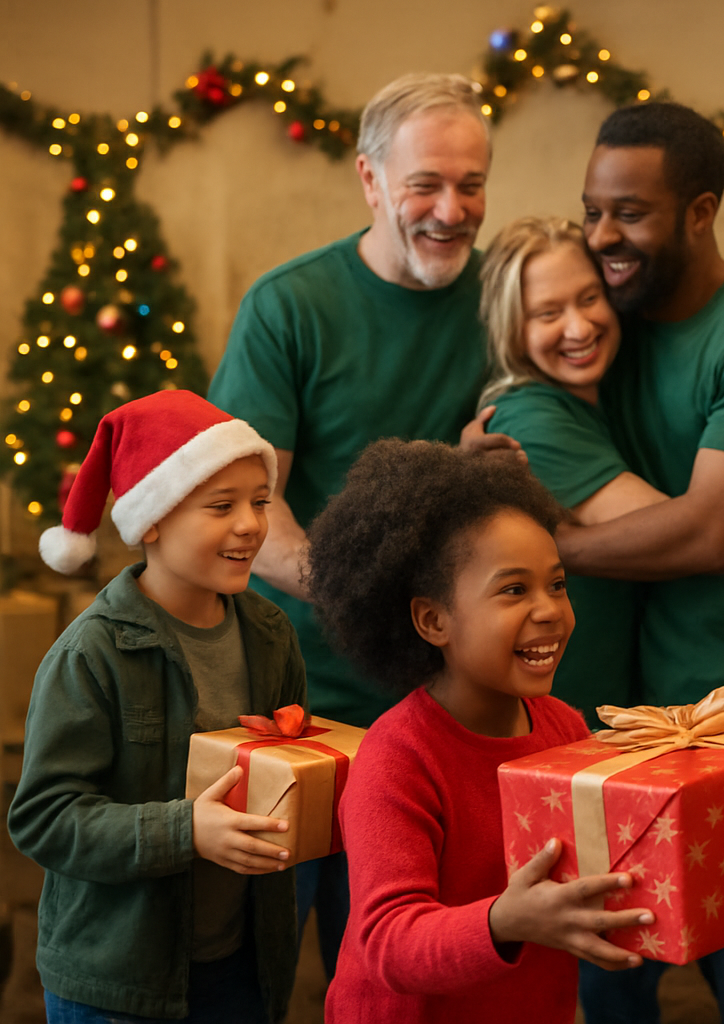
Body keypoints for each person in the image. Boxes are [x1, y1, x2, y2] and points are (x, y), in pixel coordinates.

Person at [207, 71, 513, 975]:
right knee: (262, 966)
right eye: (425, 185)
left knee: (409, 972)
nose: (452, 210)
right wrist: (372, 596)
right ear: (371, 181)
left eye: (472, 185)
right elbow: (246, 510)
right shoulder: (290, 305)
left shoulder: (505, 297)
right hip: (304, 711)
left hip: (446, 715)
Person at [546, 102, 724, 1023]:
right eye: (592, 211)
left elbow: (712, 531)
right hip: (616, 714)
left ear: (701, 212)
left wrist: (550, 551)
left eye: (630, 211)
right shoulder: (599, 318)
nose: (603, 236)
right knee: (609, 976)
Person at [304, 439, 655, 1023]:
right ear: (433, 619)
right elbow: (388, 940)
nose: (549, 610)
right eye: (514, 589)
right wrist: (504, 921)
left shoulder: (566, 728)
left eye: (558, 584)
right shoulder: (396, 757)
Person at [8, 391, 304, 1023]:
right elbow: (44, 818)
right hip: (119, 985)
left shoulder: (271, 634)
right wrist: (185, 831)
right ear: (152, 521)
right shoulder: (91, 654)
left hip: (244, 969)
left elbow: (287, 757)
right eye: (221, 506)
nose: (251, 525)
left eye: (259, 501)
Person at [479, 216, 667, 724]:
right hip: (562, 708)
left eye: (588, 298)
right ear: (511, 327)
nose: (579, 328)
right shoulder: (528, 419)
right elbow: (675, 531)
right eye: (547, 312)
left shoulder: (598, 401)